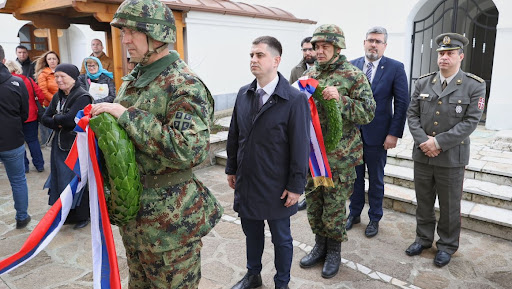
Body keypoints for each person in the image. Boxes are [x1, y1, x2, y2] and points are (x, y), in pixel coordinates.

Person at [90, 0, 223, 288]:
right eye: (123, 32)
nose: (124, 40)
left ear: (157, 36)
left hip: (171, 225)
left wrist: (127, 116)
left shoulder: (183, 84)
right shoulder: (137, 77)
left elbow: (189, 150)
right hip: (137, 218)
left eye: (131, 32)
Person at [226, 36, 309, 289]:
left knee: (281, 238)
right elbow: (235, 134)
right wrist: (231, 168)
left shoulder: (294, 100)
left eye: (259, 55)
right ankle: (253, 275)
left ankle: (281, 282)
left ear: (276, 60)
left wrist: (296, 185)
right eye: (251, 55)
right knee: (251, 232)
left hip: (277, 185)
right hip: (248, 180)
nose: (253, 60)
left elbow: (300, 145)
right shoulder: (244, 93)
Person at [298, 24, 376, 279]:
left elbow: (368, 113)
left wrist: (341, 100)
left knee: (333, 208)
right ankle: (319, 246)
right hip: (312, 156)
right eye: (316, 47)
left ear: (337, 48)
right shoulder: (309, 74)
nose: (319, 52)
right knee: (314, 204)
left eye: (325, 47)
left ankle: (334, 252)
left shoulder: (353, 75)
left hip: (339, 158)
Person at [405, 32, 486, 267]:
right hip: (423, 154)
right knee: (423, 201)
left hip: (451, 156)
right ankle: (423, 239)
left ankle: (447, 245)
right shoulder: (423, 82)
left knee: (450, 204)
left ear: (461, 56)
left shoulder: (474, 85)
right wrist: (424, 142)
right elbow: (412, 115)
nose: (444, 57)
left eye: (450, 53)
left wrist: (437, 143)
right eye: (441, 53)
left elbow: (470, 122)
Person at [347, 26, 409, 237]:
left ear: (384, 45)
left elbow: (402, 103)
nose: (374, 44)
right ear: (364, 42)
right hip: (353, 136)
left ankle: (374, 218)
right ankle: (354, 213)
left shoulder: (395, 68)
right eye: (370, 40)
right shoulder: (351, 66)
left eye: (378, 41)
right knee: (354, 178)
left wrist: (394, 134)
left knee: (376, 179)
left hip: (379, 135)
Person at [41, 64, 92, 230]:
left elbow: (71, 120)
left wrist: (58, 119)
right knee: (60, 180)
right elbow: (44, 118)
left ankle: (82, 215)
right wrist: (60, 120)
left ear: (73, 77)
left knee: (77, 180)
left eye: (62, 76)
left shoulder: (82, 96)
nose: (59, 80)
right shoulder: (58, 95)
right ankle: (68, 214)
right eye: (56, 77)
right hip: (60, 144)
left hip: (76, 146)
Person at [0, 45, 31, 229]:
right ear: (4, 60)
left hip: (12, 140)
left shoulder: (17, 82)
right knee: (18, 180)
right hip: (12, 139)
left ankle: (22, 216)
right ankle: (22, 216)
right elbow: (24, 114)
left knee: (18, 179)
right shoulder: (17, 83)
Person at [4, 60, 45, 173]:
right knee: (33, 141)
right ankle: (39, 165)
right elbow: (40, 95)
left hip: (14, 118)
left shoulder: (5, 82)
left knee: (19, 143)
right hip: (31, 116)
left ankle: (24, 167)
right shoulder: (28, 80)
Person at [35, 50, 60, 145]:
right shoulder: (43, 74)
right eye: (49, 59)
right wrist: (57, 101)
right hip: (50, 105)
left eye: (54, 58)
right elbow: (43, 91)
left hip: (64, 103)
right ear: (46, 61)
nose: (52, 61)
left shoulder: (62, 70)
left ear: (58, 60)